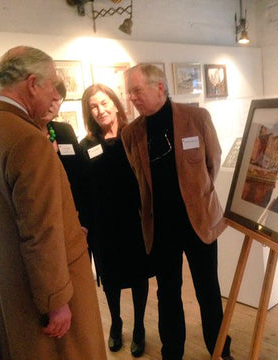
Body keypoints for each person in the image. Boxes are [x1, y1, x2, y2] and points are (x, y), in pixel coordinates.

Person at [0, 46, 106, 360]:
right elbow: (41, 230)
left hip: (4, 283)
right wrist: (56, 301)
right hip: (43, 294)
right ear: (32, 84)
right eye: (52, 83)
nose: (56, 92)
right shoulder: (27, 139)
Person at [122, 64, 234, 360]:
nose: (132, 98)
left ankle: (220, 351)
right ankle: (172, 353)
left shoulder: (196, 118)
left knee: (208, 291)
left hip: (199, 220)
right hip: (160, 228)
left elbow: (213, 162)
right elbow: (139, 177)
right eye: (129, 92)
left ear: (159, 87)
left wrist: (197, 196)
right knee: (167, 294)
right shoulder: (131, 133)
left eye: (137, 91)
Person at [79, 83, 152, 357]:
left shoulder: (133, 135)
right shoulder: (86, 145)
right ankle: (116, 322)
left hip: (133, 220)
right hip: (103, 224)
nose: (100, 110)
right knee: (109, 279)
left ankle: (140, 327)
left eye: (104, 103)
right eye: (93, 106)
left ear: (115, 102)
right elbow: (82, 188)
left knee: (138, 275)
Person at [38, 81, 88, 229]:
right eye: (50, 99)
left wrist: (85, 221)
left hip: (77, 217)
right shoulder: (28, 136)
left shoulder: (65, 131)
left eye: (57, 100)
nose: (52, 104)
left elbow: (80, 175)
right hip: (46, 222)